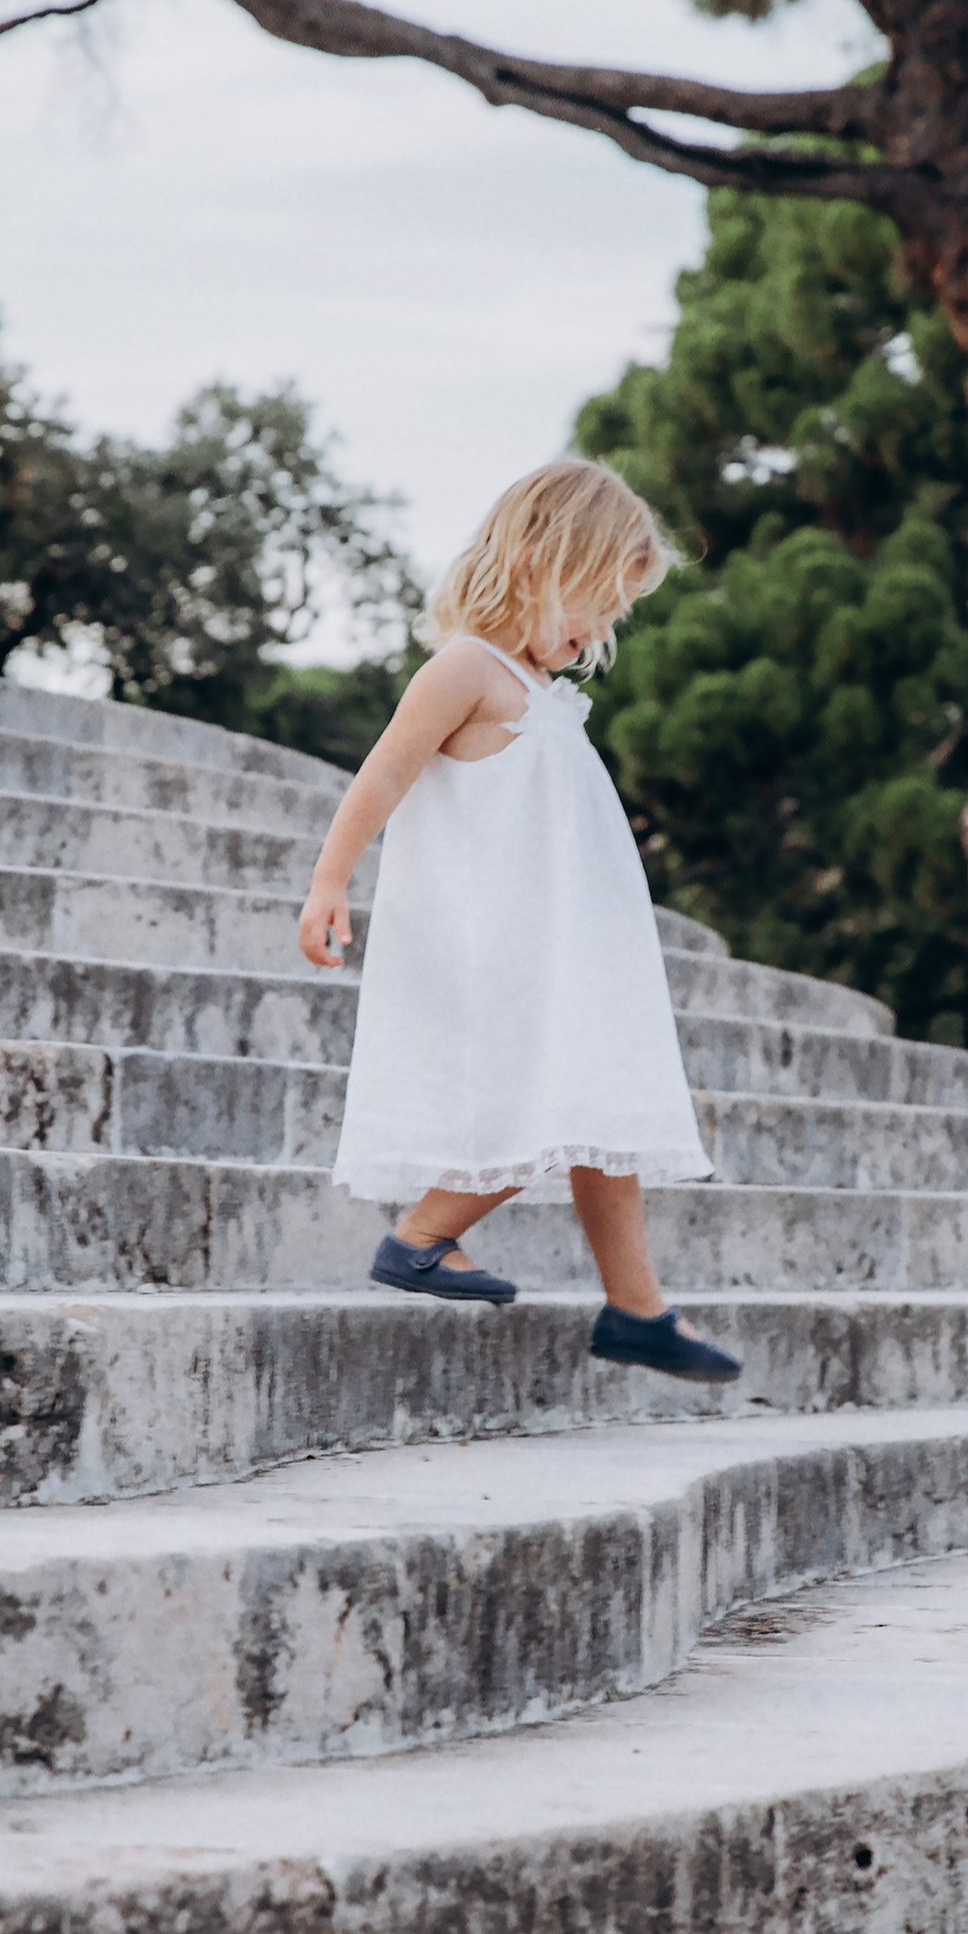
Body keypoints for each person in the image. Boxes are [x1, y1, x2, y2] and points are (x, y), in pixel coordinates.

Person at [299, 456, 741, 1384]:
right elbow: (383, 774)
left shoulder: (544, 695)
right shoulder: (468, 669)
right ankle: (420, 1236)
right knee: (562, 1102)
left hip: (571, 947)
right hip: (503, 943)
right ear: (546, 563)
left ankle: (637, 1309)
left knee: (602, 1115)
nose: (598, 633)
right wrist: (330, 882)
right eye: (595, 606)